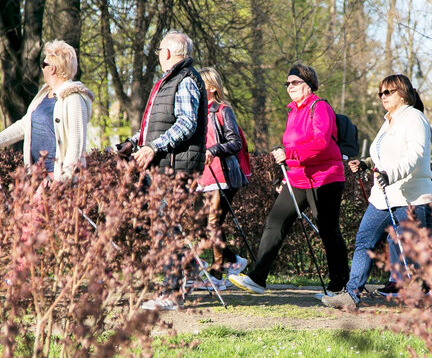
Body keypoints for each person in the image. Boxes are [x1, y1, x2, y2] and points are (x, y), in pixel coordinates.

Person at [229, 62, 349, 294]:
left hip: (325, 178)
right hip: (297, 178)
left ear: (309, 85)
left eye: (295, 82)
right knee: (274, 223)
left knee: (328, 230)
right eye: (287, 83)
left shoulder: (320, 107)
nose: (290, 86)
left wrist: (290, 155)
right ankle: (257, 279)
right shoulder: (293, 111)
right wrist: (288, 167)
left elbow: (321, 143)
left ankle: (340, 286)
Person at [321, 74, 432, 309]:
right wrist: (366, 164)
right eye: (380, 93)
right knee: (364, 241)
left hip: (410, 196)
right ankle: (351, 294)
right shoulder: (388, 120)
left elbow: (414, 156)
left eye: (388, 92)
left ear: (402, 93)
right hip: (383, 197)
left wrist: (389, 174)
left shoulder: (414, 118)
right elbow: (384, 154)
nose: (383, 97)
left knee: (414, 250)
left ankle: (430, 295)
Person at [116, 31, 208, 311]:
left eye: (159, 50)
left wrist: (153, 147)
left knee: (164, 228)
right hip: (162, 166)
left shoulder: (186, 80)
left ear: (167, 53)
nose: (157, 54)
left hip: (176, 167)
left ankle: (171, 293)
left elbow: (186, 124)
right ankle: (189, 271)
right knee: (155, 224)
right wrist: (133, 142)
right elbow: (156, 124)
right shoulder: (168, 81)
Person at [0, 40, 93, 182]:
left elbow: (76, 143)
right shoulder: (43, 96)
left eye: (44, 65)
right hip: (37, 177)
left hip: (58, 180)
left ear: (53, 68)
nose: (42, 69)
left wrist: (63, 180)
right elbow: (24, 125)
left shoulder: (74, 98)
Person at [194, 67, 248, 291]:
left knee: (214, 223)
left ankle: (216, 275)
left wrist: (214, 150)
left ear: (213, 88)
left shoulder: (223, 110)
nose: (196, 88)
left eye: (201, 85)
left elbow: (235, 143)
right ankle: (235, 260)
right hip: (203, 176)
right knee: (200, 225)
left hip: (223, 174)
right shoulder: (195, 113)